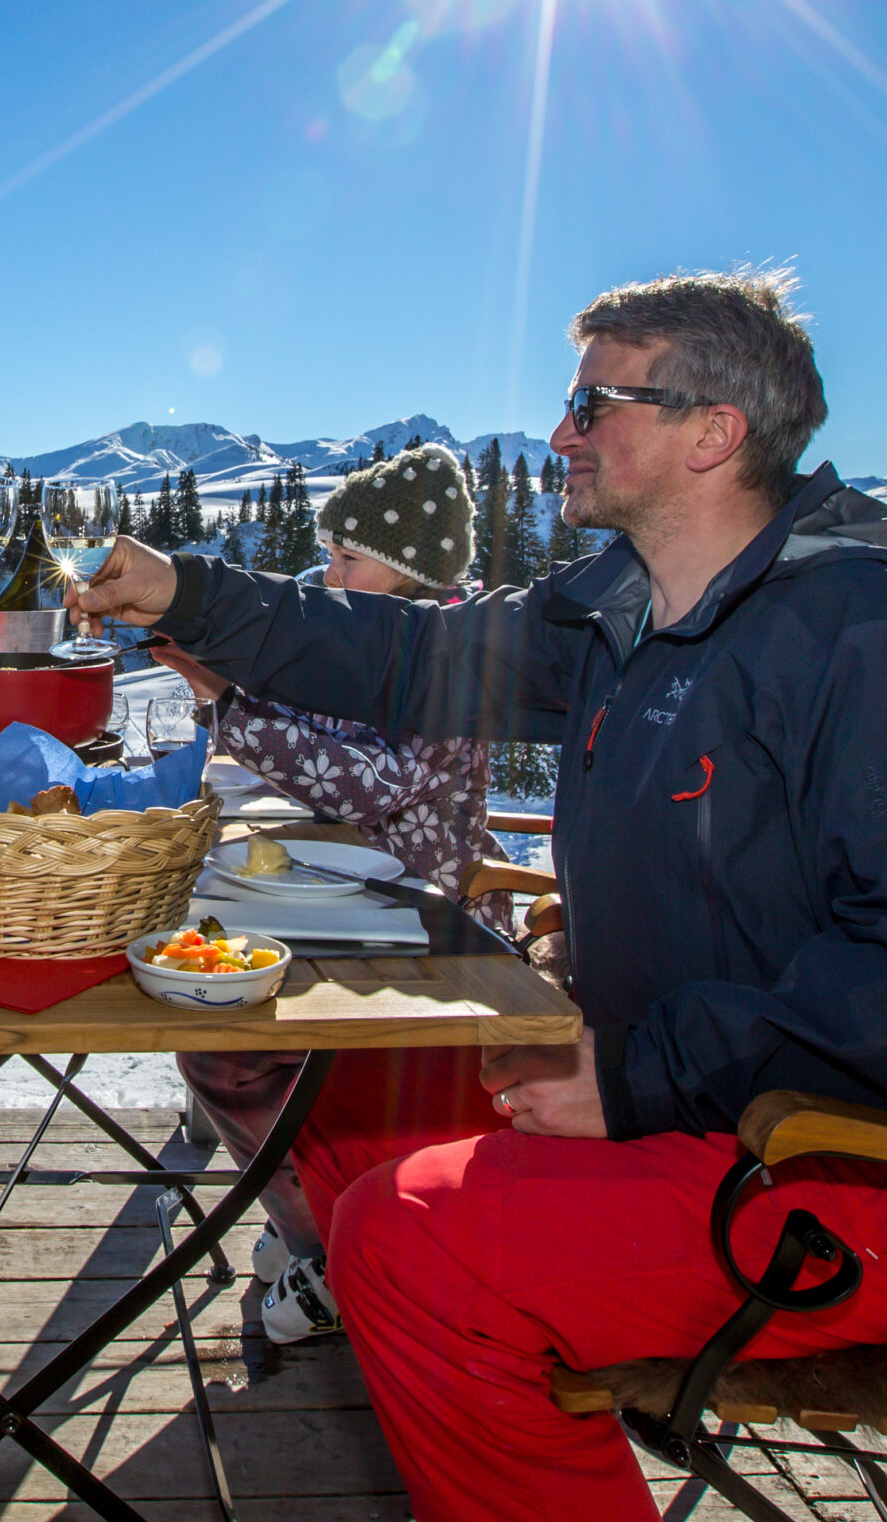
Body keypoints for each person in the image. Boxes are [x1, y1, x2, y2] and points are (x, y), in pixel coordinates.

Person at [68, 269, 887, 1522]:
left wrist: (636, 1076)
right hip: (701, 1108)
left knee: (413, 1246)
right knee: (350, 1110)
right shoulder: (621, 612)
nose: (561, 434)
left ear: (711, 432)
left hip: (873, 1169)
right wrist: (192, 593)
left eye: (593, 404)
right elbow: (406, 654)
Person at [160, 443, 513, 1343]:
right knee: (216, 1021)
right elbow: (321, 739)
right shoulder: (376, 645)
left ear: (413, 572)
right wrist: (222, 682)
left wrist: (226, 710)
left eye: (348, 557)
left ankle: (333, 1250)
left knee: (229, 1056)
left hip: (428, 928)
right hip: (350, 905)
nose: (329, 572)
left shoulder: (449, 659)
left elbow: (368, 785)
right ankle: (320, 1223)